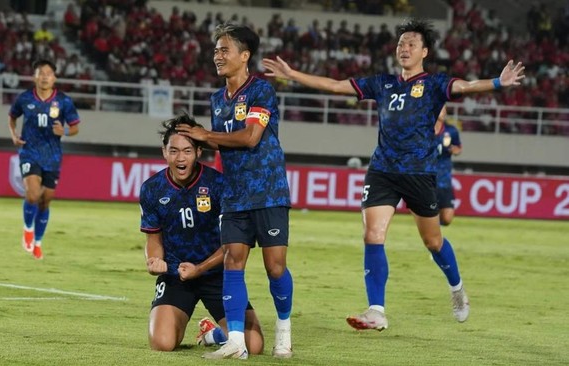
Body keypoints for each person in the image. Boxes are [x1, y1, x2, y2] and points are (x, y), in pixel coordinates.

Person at [263, 18, 525, 330]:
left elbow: (465, 86)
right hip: (382, 170)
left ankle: (456, 289)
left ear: (424, 51)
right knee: (372, 235)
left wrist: (498, 82)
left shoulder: (434, 84)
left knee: (433, 240)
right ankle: (376, 310)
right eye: (401, 44)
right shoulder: (382, 83)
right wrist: (293, 75)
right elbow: (336, 85)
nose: (404, 48)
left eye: (411, 44)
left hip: (419, 173)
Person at [176, 23, 294, 359]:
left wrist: (206, 135)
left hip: (268, 191)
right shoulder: (217, 98)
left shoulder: (261, 91)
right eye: (215, 50)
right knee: (232, 261)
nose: (217, 56)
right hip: (235, 194)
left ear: (245, 56)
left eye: (224, 49)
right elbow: (218, 149)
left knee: (275, 267)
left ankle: (284, 331)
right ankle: (236, 342)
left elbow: (250, 137)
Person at [140, 114, 264, 353]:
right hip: (176, 275)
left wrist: (201, 268)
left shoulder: (219, 185)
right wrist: (154, 260)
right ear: (164, 152)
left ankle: (213, 334)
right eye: (174, 151)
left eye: (187, 151)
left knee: (254, 346)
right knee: (162, 343)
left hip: (217, 275)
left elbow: (235, 243)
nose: (180, 158)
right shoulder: (152, 189)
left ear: (198, 152)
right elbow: (153, 239)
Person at [8, 59, 80, 260]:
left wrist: (64, 130)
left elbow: (75, 127)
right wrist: (14, 135)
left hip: (53, 156)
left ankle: (38, 242)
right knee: (32, 195)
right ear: (35, 76)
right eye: (42, 73)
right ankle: (28, 229)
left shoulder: (64, 101)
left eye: (49, 73)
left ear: (54, 77)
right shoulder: (24, 98)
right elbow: (12, 116)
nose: (45, 76)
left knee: (45, 201)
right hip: (29, 152)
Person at [435, 106, 462, 226]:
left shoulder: (451, 131)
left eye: (443, 108)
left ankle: (433, 229)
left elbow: (458, 147)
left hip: (444, 180)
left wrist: (455, 150)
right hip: (426, 178)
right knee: (428, 215)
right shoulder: (423, 128)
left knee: (447, 219)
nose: (442, 111)